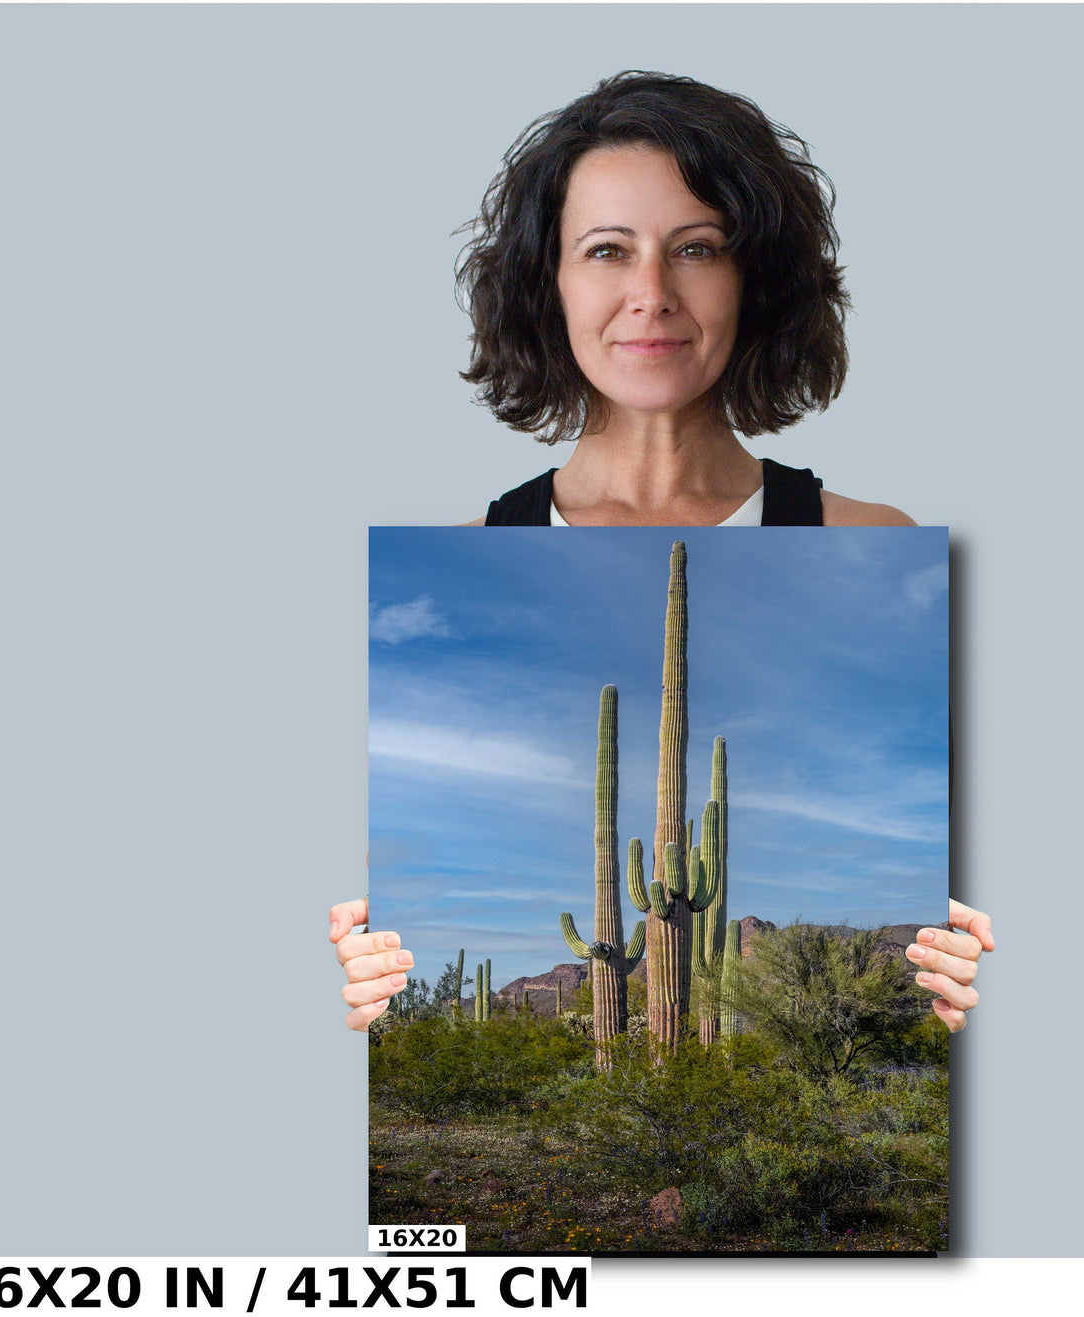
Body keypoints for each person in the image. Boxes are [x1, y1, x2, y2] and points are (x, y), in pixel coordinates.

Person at [333, 71, 994, 1031]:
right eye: (606, 250)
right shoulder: (462, 551)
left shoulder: (873, 539)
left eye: (697, 248)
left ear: (754, 279)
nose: (650, 294)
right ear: (547, 282)